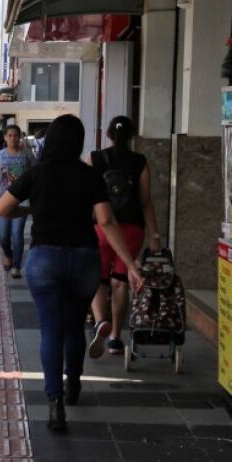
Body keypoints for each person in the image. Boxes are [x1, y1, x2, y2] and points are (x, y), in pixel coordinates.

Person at [0, 114, 142, 432]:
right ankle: (73, 385)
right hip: (85, 260)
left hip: (45, 259)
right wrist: (130, 264)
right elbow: (105, 220)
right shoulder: (90, 177)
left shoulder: (36, 173)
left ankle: (54, 403)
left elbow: (1, 209)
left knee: (51, 330)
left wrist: (33, 208)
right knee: (75, 327)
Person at [88, 116, 161, 357]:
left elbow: (84, 195)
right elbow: (145, 201)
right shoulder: (140, 161)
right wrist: (155, 235)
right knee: (120, 280)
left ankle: (100, 321)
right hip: (131, 229)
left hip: (100, 226)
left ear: (108, 134)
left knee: (98, 279)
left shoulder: (95, 158)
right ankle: (115, 337)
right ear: (131, 135)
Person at [0, 125, 38, 278]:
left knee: (17, 234)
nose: (13, 139)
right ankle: (8, 255)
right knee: (3, 235)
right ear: (5, 137)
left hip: (21, 201)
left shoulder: (26, 155)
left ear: (20, 137)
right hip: (2, 200)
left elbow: (36, 173)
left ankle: (16, 266)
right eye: (9, 135)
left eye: (15, 135)